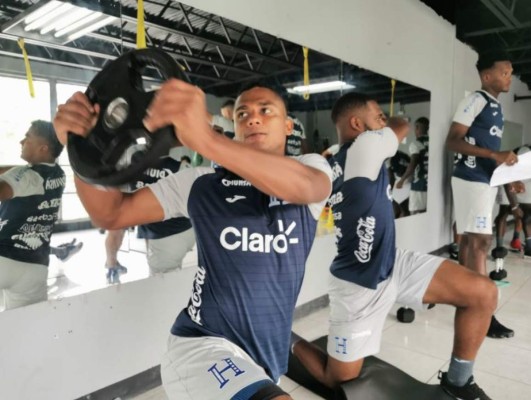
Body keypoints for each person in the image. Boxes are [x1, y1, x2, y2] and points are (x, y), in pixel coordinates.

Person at [53, 81, 332, 400]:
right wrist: (82, 150)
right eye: (242, 113)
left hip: (266, 359)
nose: (252, 118)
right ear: (236, 126)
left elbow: (306, 188)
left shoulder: (311, 167)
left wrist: (206, 138)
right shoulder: (200, 184)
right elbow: (112, 214)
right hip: (202, 346)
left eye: (265, 111)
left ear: (288, 126)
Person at [291, 93, 498, 400]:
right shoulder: (365, 145)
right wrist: (389, 124)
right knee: (336, 380)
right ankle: (285, 337)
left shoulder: (339, 160)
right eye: (377, 117)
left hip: (392, 261)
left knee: (482, 293)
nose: (384, 122)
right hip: (358, 283)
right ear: (357, 124)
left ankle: (459, 382)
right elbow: (402, 123)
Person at [446, 50, 519, 339]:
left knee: (470, 244)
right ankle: (483, 313)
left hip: (484, 181)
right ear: (487, 76)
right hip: (470, 179)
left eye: (510, 73)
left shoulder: (496, 107)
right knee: (479, 243)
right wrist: (494, 154)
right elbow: (452, 141)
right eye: (504, 72)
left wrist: (508, 179)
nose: (509, 77)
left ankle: (468, 301)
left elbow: (493, 157)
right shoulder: (474, 100)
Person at [0, 120, 65, 310]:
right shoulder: (58, 174)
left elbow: (10, 183)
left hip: (4, 257)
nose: (22, 141)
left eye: (28, 137)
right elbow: (19, 172)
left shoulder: (26, 175)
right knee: (25, 325)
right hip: (35, 268)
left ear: (43, 148)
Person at [396, 116, 429, 214]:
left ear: (417, 127)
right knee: (426, 212)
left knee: (415, 213)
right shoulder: (433, 142)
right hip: (431, 183)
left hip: (419, 184)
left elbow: (413, 163)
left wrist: (402, 180)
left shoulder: (415, 144)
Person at [387, 149, 411, 218]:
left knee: (402, 209)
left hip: (402, 182)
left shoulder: (389, 158)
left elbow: (391, 177)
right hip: (409, 180)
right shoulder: (402, 153)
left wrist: (389, 191)